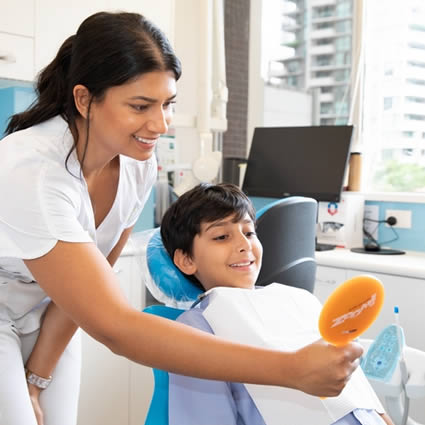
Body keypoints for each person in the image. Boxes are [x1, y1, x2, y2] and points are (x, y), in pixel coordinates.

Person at [0, 11, 363, 425]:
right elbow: (116, 325)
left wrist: (37, 377)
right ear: (84, 99)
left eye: (168, 104)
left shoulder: (137, 163)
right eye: (140, 106)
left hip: (51, 310)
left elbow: (84, 287)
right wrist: (290, 369)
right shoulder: (32, 170)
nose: (160, 124)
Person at [160, 183, 394, 425]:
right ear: (186, 260)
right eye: (221, 236)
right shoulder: (197, 327)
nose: (244, 244)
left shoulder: (300, 300)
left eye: (249, 233)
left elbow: (360, 394)